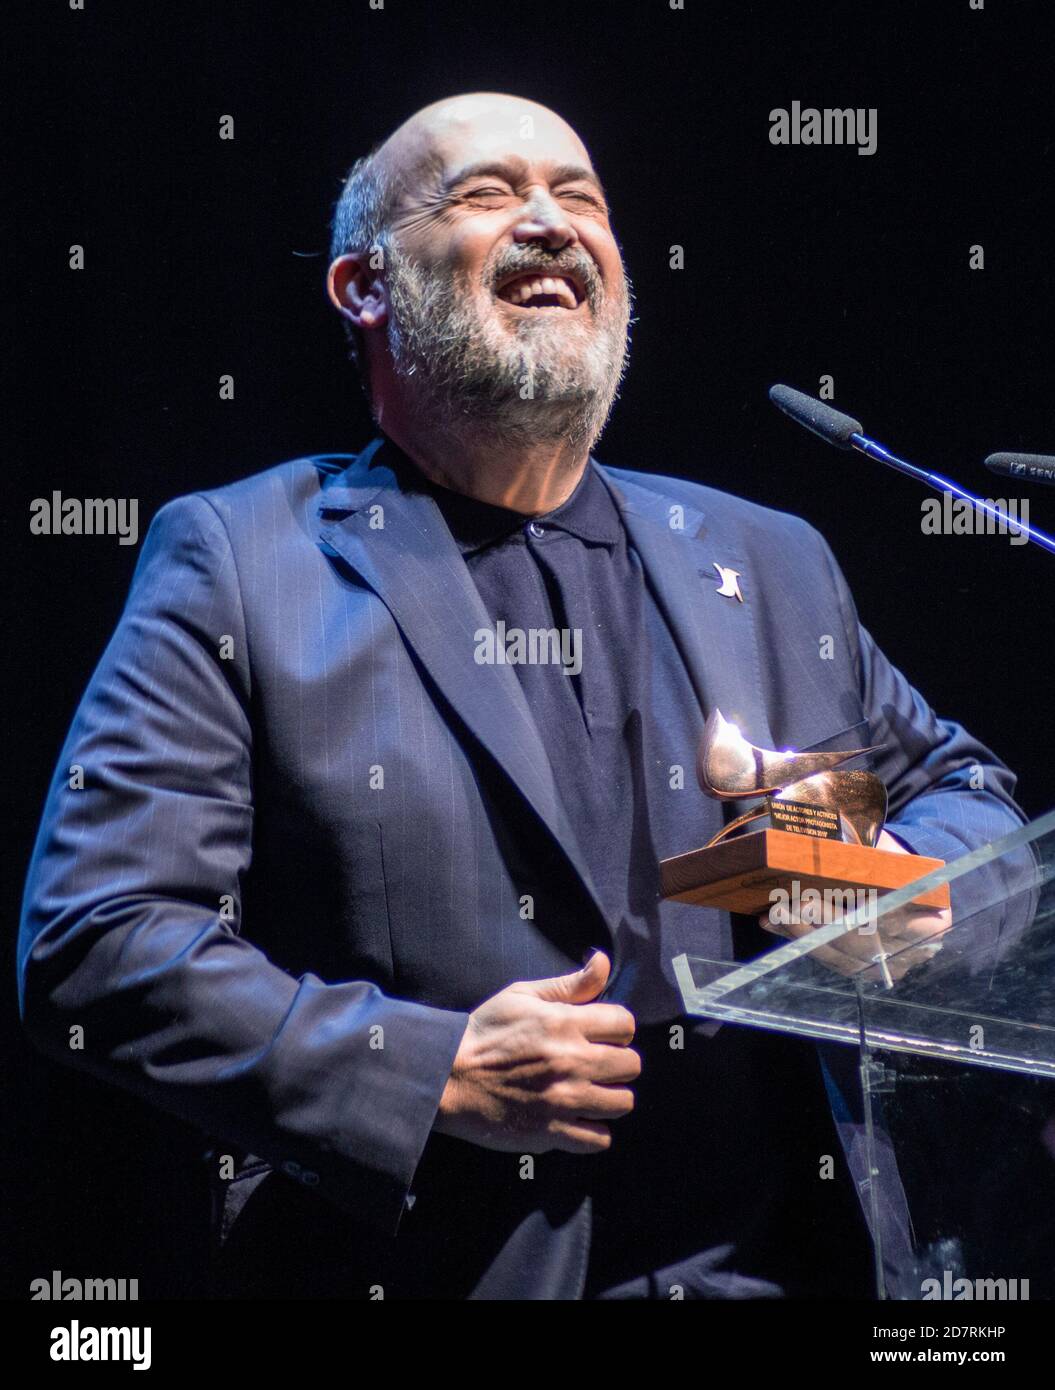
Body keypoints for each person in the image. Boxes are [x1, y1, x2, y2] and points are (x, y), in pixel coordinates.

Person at [18, 92, 1027, 1300]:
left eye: (580, 197)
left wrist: (909, 885)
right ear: (363, 284)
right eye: (486, 193)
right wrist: (425, 1066)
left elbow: (966, 796)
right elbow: (94, 937)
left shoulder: (766, 559)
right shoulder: (242, 563)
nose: (549, 220)